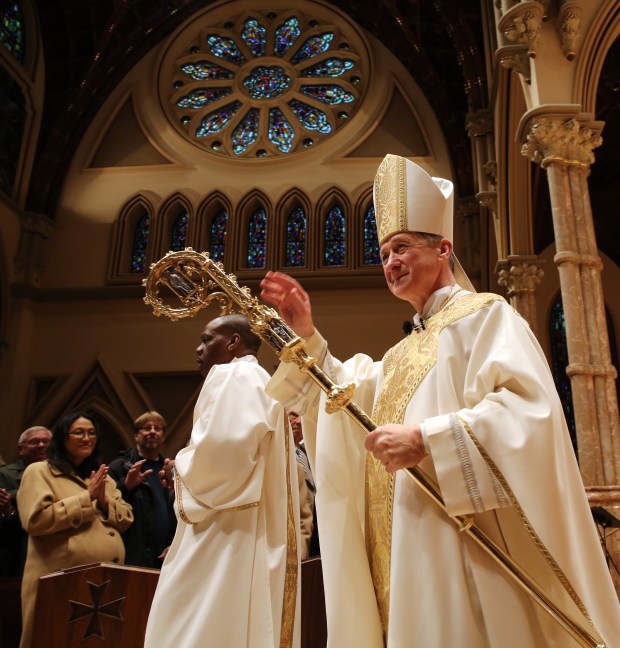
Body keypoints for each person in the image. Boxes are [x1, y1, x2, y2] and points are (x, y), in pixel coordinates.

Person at [260, 154, 620, 648]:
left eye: (402, 247)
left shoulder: (485, 317)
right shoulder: (403, 350)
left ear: (444, 248)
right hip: (409, 548)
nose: (391, 262)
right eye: (384, 253)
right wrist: (307, 337)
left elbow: (527, 411)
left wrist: (428, 439)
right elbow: (347, 393)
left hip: (464, 541)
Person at [144, 314, 302, 648]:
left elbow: (226, 455)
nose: (198, 349)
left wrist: (181, 467)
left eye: (207, 340)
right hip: (246, 523)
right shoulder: (259, 379)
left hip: (225, 527)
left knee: (192, 620)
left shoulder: (234, 375)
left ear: (233, 342)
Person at [17, 412, 133, 648]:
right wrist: (86, 497)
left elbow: (126, 518)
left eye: (91, 433)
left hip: (105, 584)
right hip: (60, 582)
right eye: (79, 432)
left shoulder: (102, 478)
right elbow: (36, 521)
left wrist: (103, 501)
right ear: (62, 437)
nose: (87, 438)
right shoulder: (40, 472)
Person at [108, 411, 176, 568]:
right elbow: (107, 508)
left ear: (163, 436)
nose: (152, 431)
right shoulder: (119, 467)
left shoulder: (169, 469)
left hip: (165, 556)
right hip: (133, 553)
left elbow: (179, 510)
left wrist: (174, 544)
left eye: (157, 428)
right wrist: (126, 487)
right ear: (136, 436)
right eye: (147, 428)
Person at [0, 426, 52, 578]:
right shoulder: (5, 475)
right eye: (34, 441)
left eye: (46, 441)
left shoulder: (65, 472)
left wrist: (14, 495)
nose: (41, 445)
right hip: (17, 550)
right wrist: (8, 509)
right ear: (21, 449)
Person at [289, 410, 319, 557]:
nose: (299, 421)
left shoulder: (307, 452)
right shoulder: (280, 455)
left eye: (302, 417)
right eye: (294, 415)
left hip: (314, 536)